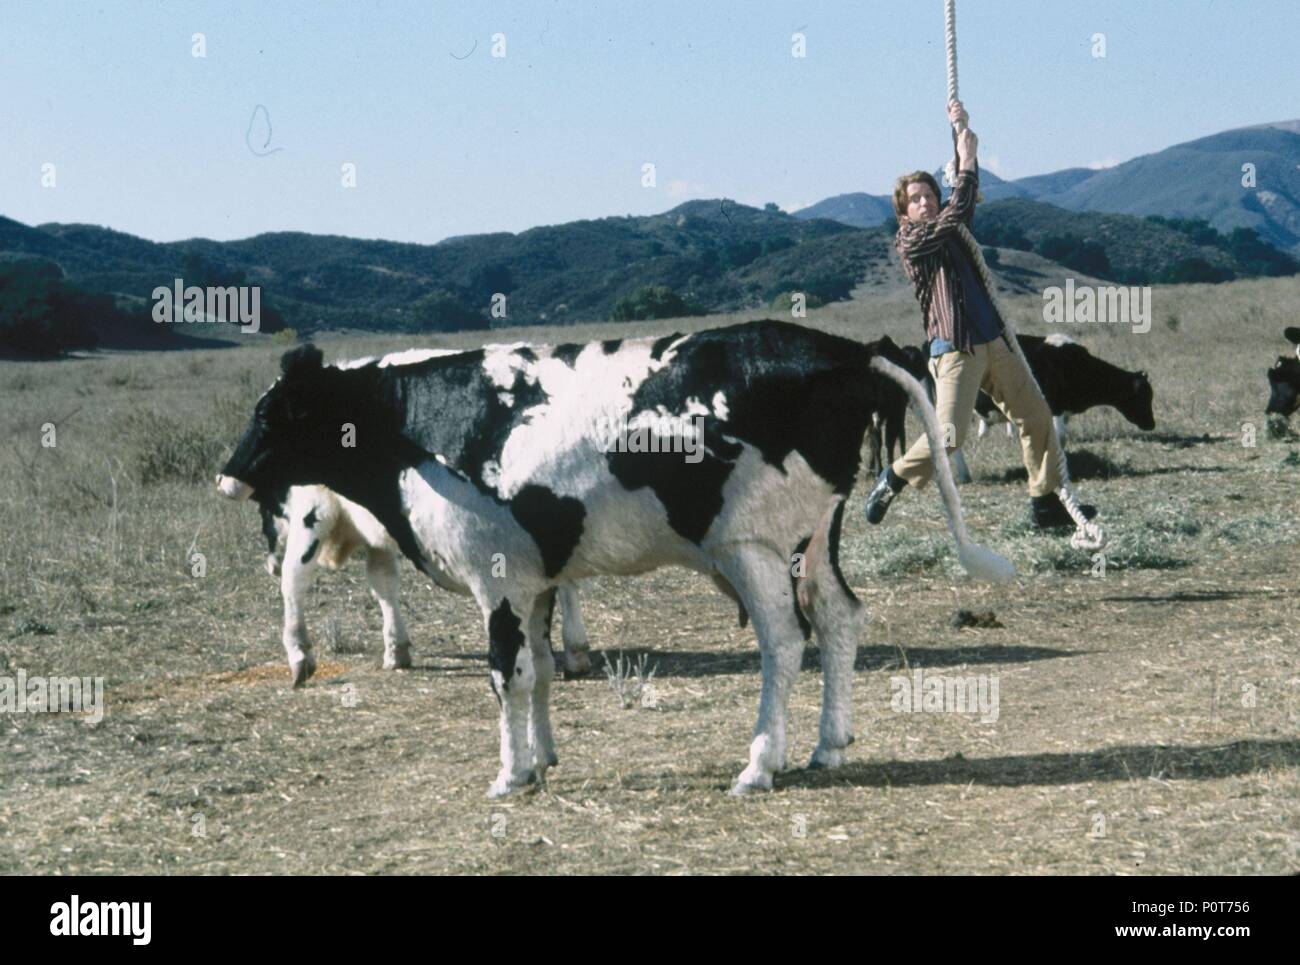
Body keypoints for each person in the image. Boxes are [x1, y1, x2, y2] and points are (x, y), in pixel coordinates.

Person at [865, 99, 1096, 530]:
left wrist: (960, 131)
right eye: (915, 199)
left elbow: (961, 205)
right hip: (955, 348)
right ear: (903, 214)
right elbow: (956, 210)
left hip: (995, 341)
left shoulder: (953, 225)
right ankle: (893, 476)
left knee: (1037, 416)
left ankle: (1043, 503)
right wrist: (968, 162)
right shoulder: (912, 242)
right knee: (951, 434)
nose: (926, 202)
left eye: (930, 194)